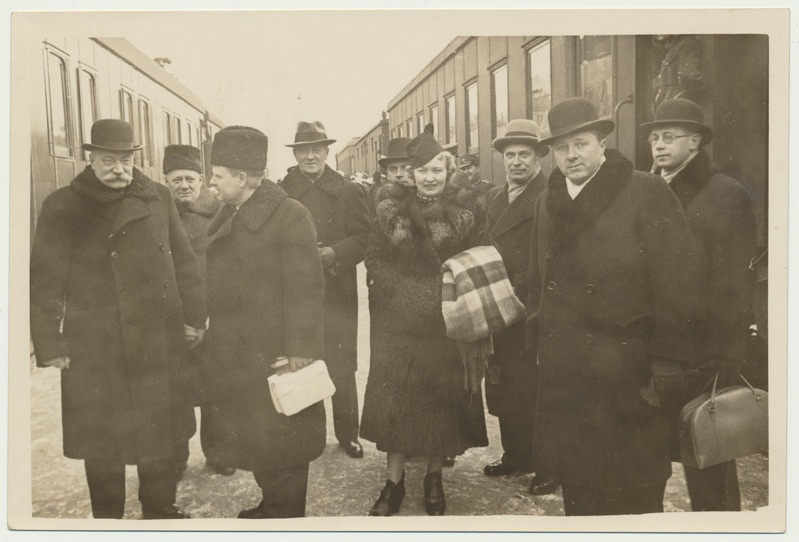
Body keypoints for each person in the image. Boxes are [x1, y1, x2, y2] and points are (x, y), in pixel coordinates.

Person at [526, 97, 699, 515]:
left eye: (581, 143)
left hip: (629, 379)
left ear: (602, 142)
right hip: (568, 382)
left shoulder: (644, 190)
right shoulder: (546, 203)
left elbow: (680, 284)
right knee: (581, 499)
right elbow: (537, 286)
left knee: (634, 501)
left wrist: (667, 367)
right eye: (562, 147)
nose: (571, 155)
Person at [30, 119, 207, 519]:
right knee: (102, 441)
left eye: (125, 160)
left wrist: (195, 317)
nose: (119, 170)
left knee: (158, 432)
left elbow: (185, 261)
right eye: (109, 160)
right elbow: (44, 281)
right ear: (90, 158)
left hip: (156, 337)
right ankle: (106, 520)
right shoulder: (63, 205)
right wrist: (50, 343)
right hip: (95, 344)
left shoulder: (157, 197)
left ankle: (159, 510)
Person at [360, 130, 489, 516]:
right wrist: (402, 292)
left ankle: (434, 479)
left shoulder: (468, 212)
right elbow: (373, 257)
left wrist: (442, 291)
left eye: (436, 169)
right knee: (396, 403)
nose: (429, 177)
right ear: (410, 174)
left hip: (445, 324)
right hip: (398, 324)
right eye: (421, 171)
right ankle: (393, 483)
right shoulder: (390, 209)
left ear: (448, 170)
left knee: (440, 404)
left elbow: (483, 254)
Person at [200, 126, 327, 518]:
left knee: (284, 442)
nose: (211, 182)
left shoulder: (290, 215)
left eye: (217, 175)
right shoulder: (231, 210)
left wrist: (300, 351)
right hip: (239, 353)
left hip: (276, 354)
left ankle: (285, 516)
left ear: (242, 178)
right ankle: (272, 505)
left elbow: (307, 288)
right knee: (261, 440)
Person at [642, 98, 756, 512]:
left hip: (702, 353)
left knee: (709, 457)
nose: (658, 145)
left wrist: (726, 356)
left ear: (695, 141)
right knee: (651, 460)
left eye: (668, 137)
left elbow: (735, 286)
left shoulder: (725, 193)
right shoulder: (650, 188)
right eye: (654, 137)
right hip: (655, 348)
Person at [280, 121, 371, 460]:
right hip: (298, 293)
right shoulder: (282, 191)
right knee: (302, 359)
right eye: (303, 149)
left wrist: (334, 253)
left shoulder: (349, 191)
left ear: (327, 151)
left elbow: (365, 238)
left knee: (342, 365)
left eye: (316, 149)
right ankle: (307, 438)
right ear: (296, 153)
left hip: (338, 292)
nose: (310, 155)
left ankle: (348, 435)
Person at [482, 118, 558, 495]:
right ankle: (515, 454)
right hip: (498, 307)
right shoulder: (496, 197)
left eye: (524, 154)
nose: (515, 162)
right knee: (505, 384)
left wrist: (521, 295)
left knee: (537, 390)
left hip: (530, 306)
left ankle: (548, 465)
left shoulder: (549, 194)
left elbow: (550, 259)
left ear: (539, 156)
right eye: (509, 155)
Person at [163, 144, 235, 478]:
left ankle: (217, 453)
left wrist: (206, 318)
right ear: (166, 180)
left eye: (190, 178)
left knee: (215, 389)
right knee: (175, 392)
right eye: (176, 179)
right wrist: (180, 321)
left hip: (212, 316)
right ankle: (176, 456)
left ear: (201, 179)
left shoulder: (219, 213)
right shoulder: (159, 214)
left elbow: (226, 266)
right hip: (174, 321)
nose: (183, 186)